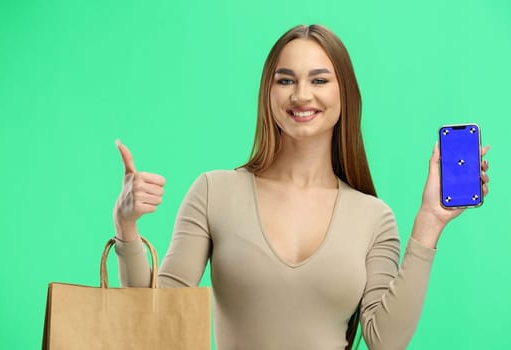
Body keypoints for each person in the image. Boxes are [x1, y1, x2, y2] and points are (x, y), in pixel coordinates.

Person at [112, 24, 490, 350]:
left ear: (345, 95)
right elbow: (157, 319)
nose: (301, 95)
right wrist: (126, 227)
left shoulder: (373, 217)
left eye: (320, 80)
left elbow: (385, 341)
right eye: (286, 80)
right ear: (268, 92)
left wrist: (429, 221)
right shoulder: (214, 192)